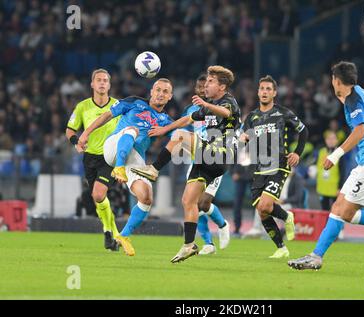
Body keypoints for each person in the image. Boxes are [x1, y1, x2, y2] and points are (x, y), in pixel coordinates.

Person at [288, 61, 364, 271]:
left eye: (332, 79)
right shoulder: (361, 93)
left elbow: (360, 131)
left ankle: (316, 256)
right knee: (342, 211)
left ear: (336, 80)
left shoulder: (353, 100)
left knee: (341, 212)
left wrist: (335, 154)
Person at [131, 66, 241, 263]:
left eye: (210, 82)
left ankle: (154, 169)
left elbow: (225, 112)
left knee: (182, 137)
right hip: (205, 158)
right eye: (206, 81)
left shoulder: (228, 102)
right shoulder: (207, 107)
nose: (205, 85)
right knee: (188, 201)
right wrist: (164, 129)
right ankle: (189, 245)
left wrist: (207, 106)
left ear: (222, 87)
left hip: (222, 154)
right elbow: (186, 119)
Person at [78, 78, 174, 256]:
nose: (161, 94)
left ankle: (124, 235)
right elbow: (107, 115)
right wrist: (86, 133)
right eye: (158, 90)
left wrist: (158, 164)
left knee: (146, 197)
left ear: (170, 97)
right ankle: (119, 168)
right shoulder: (134, 102)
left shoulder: (166, 120)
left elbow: (179, 138)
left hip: (134, 158)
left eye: (165, 92)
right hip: (113, 147)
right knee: (132, 130)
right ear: (151, 91)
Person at [240, 75, 309, 258]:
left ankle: (287, 217)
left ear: (274, 93)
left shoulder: (283, 113)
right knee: (262, 211)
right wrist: (242, 139)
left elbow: (303, 131)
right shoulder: (252, 117)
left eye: (268, 89)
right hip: (258, 168)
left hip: (279, 165)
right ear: (258, 92)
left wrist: (297, 153)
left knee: (265, 204)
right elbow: (243, 139)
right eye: (262, 88)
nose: (264, 92)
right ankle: (281, 248)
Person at [65, 69, 120, 251]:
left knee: (98, 193)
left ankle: (107, 232)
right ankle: (111, 232)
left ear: (109, 85)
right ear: (92, 84)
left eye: (105, 80)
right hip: (90, 157)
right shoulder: (82, 107)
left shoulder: (118, 106)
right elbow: (70, 130)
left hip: (110, 157)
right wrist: (76, 142)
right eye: (99, 80)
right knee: (99, 199)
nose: (102, 83)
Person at [181, 74, 230, 255]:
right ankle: (208, 243)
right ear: (196, 90)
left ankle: (223, 225)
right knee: (193, 203)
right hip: (196, 160)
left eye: (206, 86)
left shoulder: (219, 107)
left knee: (203, 202)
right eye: (200, 87)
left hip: (215, 157)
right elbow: (182, 130)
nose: (203, 89)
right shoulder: (190, 110)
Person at [315, 131, 345, 211]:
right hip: (322, 187)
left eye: (333, 138)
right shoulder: (321, 151)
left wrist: (340, 187)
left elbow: (343, 172)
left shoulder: (339, 153)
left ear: (337, 141)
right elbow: (317, 167)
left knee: (335, 211)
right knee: (324, 210)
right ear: (325, 140)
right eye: (329, 138)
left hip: (334, 189)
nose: (331, 141)